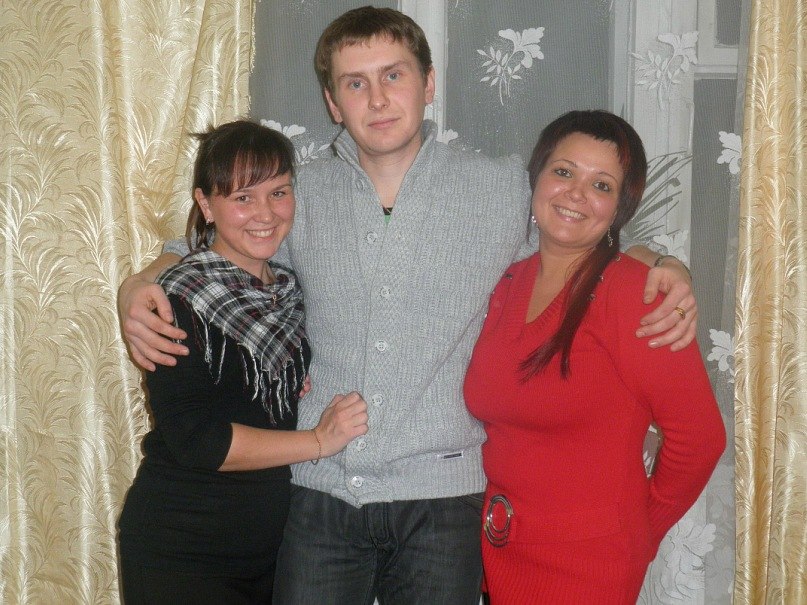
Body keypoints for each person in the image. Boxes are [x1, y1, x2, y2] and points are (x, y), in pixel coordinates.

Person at [118, 8, 699, 604]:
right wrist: (141, 280)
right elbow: (220, 246)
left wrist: (660, 261)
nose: (377, 99)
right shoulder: (298, 193)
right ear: (332, 102)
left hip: (443, 498)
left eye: (393, 75)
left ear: (429, 83)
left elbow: (577, 231)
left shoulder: (498, 189)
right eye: (355, 83)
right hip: (319, 494)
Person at [463, 110, 725, 604]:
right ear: (537, 178)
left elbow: (700, 439)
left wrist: (643, 528)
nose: (577, 194)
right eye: (563, 172)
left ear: (619, 207)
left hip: (589, 565)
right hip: (501, 552)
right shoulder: (506, 282)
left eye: (601, 185)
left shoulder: (634, 293)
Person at [117, 120, 368, 605]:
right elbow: (199, 440)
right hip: (182, 550)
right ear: (206, 204)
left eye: (279, 193)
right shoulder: (175, 301)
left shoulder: (290, 295)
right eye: (243, 198)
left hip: (272, 550)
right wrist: (319, 440)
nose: (265, 214)